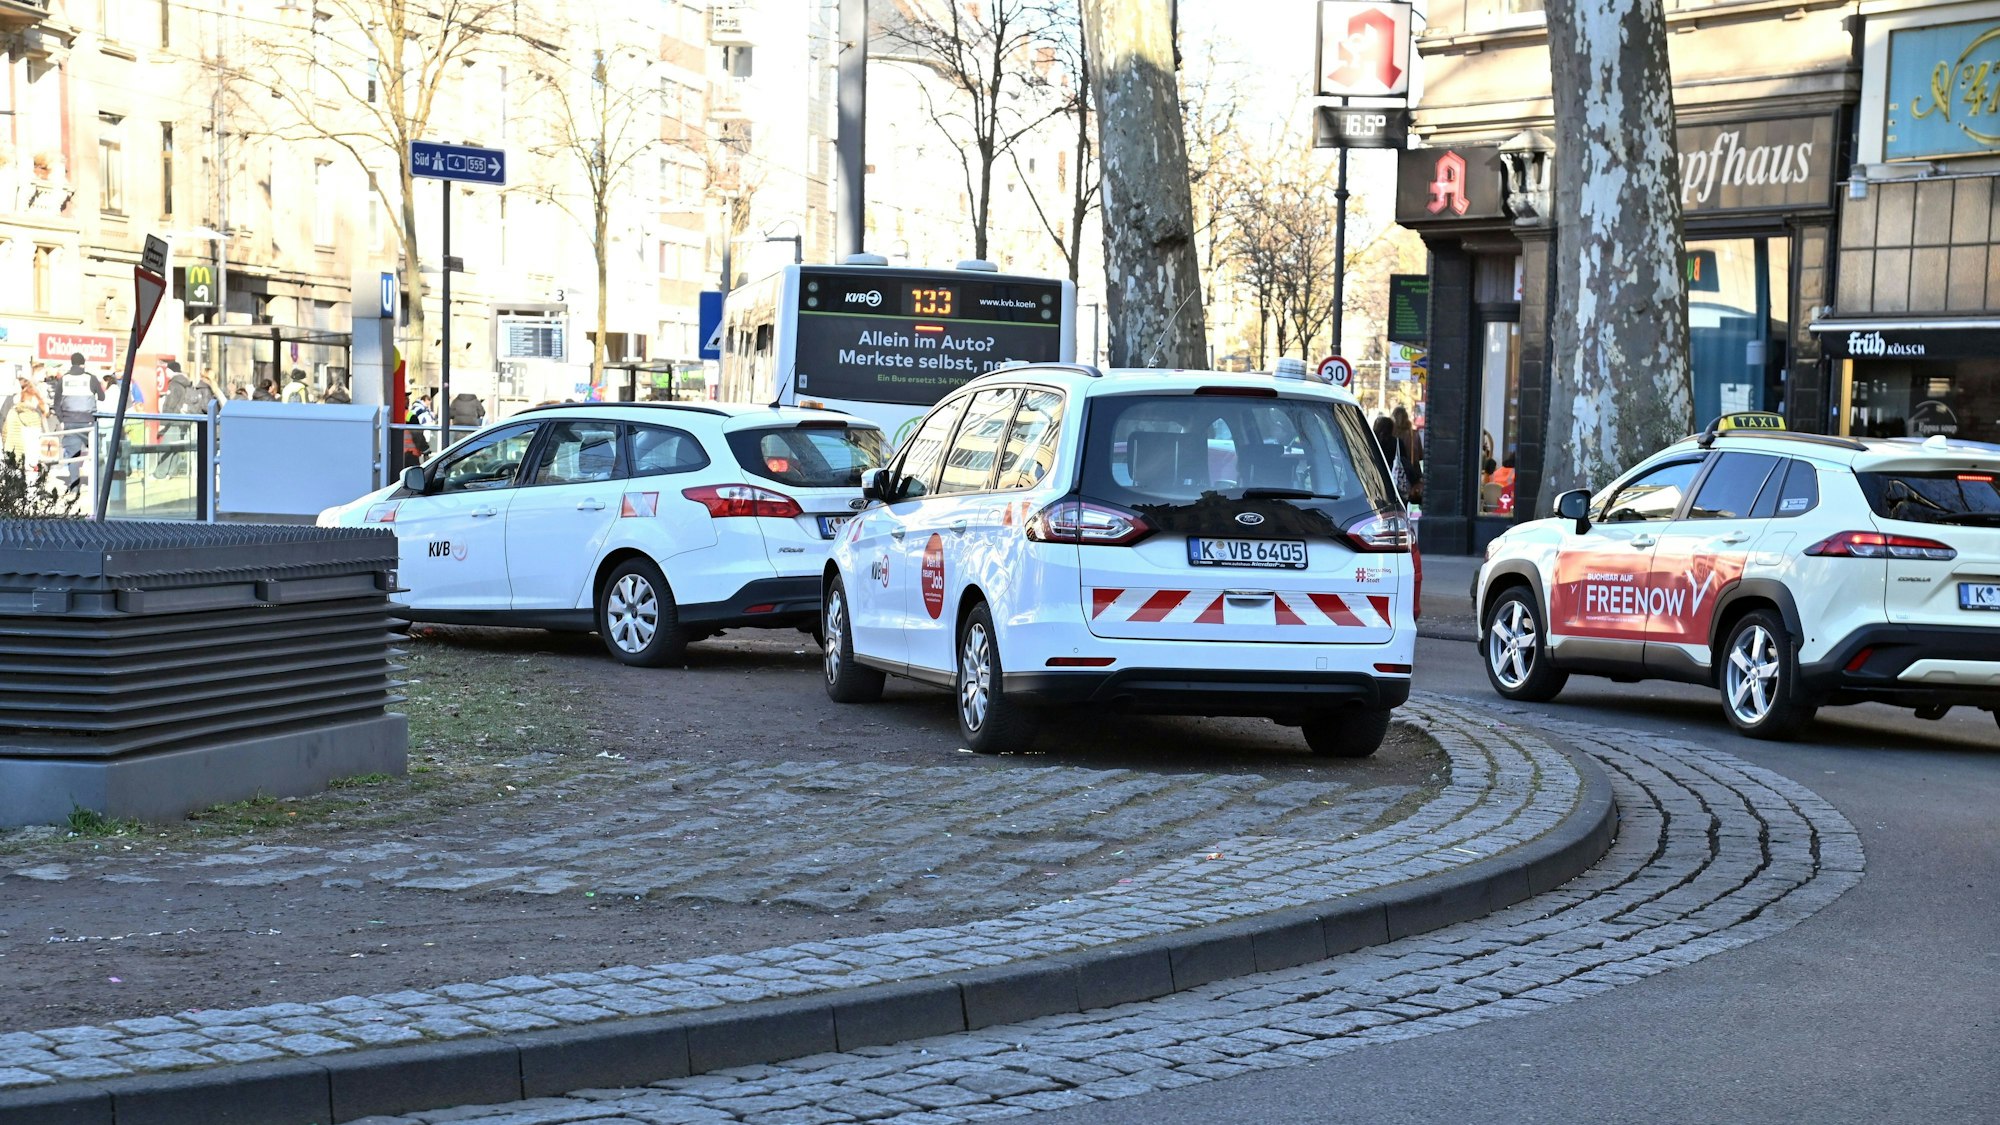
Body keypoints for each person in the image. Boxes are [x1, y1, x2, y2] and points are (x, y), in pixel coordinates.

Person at [52, 353, 102, 487]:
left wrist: (62, 419)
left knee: (73, 456)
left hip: (70, 421)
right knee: (97, 453)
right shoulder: (91, 378)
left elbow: (56, 403)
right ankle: (99, 485)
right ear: (83, 364)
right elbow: (102, 397)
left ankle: (74, 487)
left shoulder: (64, 379)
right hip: (88, 421)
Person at [1391, 405, 1424, 506]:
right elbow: (1421, 456)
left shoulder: (1392, 435)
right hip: (1412, 474)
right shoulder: (1414, 435)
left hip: (1395, 474)